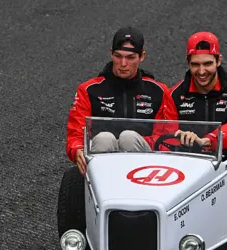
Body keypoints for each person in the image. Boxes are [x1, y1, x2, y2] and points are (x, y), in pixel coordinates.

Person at [66, 26, 172, 175]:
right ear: (111, 54)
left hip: (145, 167)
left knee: (128, 138)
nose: (123, 63)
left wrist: (129, 145)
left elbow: (165, 138)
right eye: (118, 56)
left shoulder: (159, 91)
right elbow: (76, 133)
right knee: (105, 139)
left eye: (130, 57)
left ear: (142, 56)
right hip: (101, 160)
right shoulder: (89, 90)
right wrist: (77, 150)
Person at [165, 31, 227, 157]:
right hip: (187, 162)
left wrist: (208, 140)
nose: (201, 72)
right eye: (195, 64)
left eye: (207, 64)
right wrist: (181, 137)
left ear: (218, 61)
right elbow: (167, 135)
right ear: (188, 63)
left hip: (225, 160)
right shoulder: (173, 95)